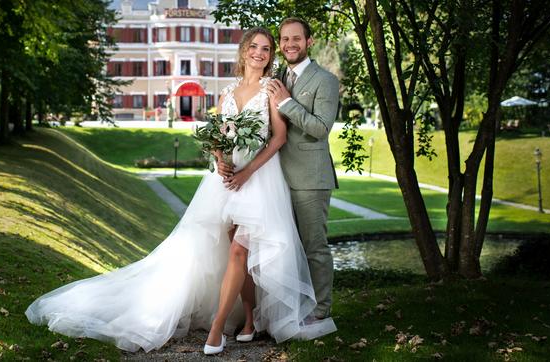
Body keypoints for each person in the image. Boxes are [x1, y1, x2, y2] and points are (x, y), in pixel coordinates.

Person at [25, 27, 335, 355]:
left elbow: (279, 138)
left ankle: (216, 329)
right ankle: (249, 320)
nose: (260, 52)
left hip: (259, 180)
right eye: (255, 46)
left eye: (267, 48)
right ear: (244, 51)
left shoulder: (272, 89)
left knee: (240, 251)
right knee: (234, 249)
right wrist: (219, 158)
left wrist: (246, 172)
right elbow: (219, 135)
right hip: (225, 180)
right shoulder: (227, 91)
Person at [222, 18, 339, 320]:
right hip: (274, 177)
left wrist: (287, 103)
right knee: (286, 249)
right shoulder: (277, 77)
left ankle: (321, 310)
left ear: (309, 41)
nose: (290, 44)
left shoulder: (324, 80)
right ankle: (287, 310)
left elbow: (321, 128)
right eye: (285, 39)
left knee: (314, 247)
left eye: (296, 39)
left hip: (309, 177)